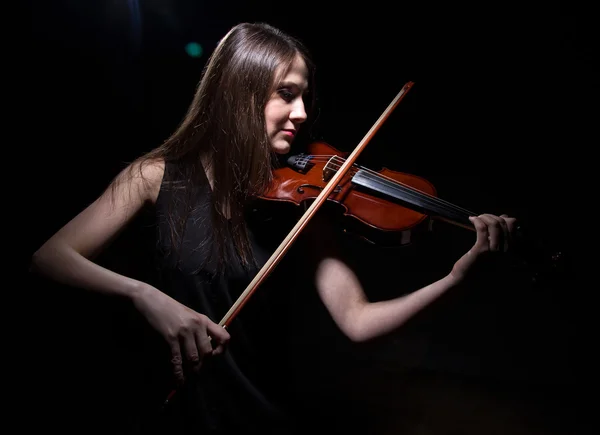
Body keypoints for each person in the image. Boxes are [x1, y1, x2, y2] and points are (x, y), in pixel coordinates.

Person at [30, 22, 517, 434]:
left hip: (263, 416)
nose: (302, 114)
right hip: (167, 408)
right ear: (239, 93)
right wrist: (146, 296)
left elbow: (358, 321)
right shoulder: (154, 176)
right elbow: (49, 257)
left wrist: (455, 279)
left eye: (304, 96)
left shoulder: (299, 209)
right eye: (286, 94)